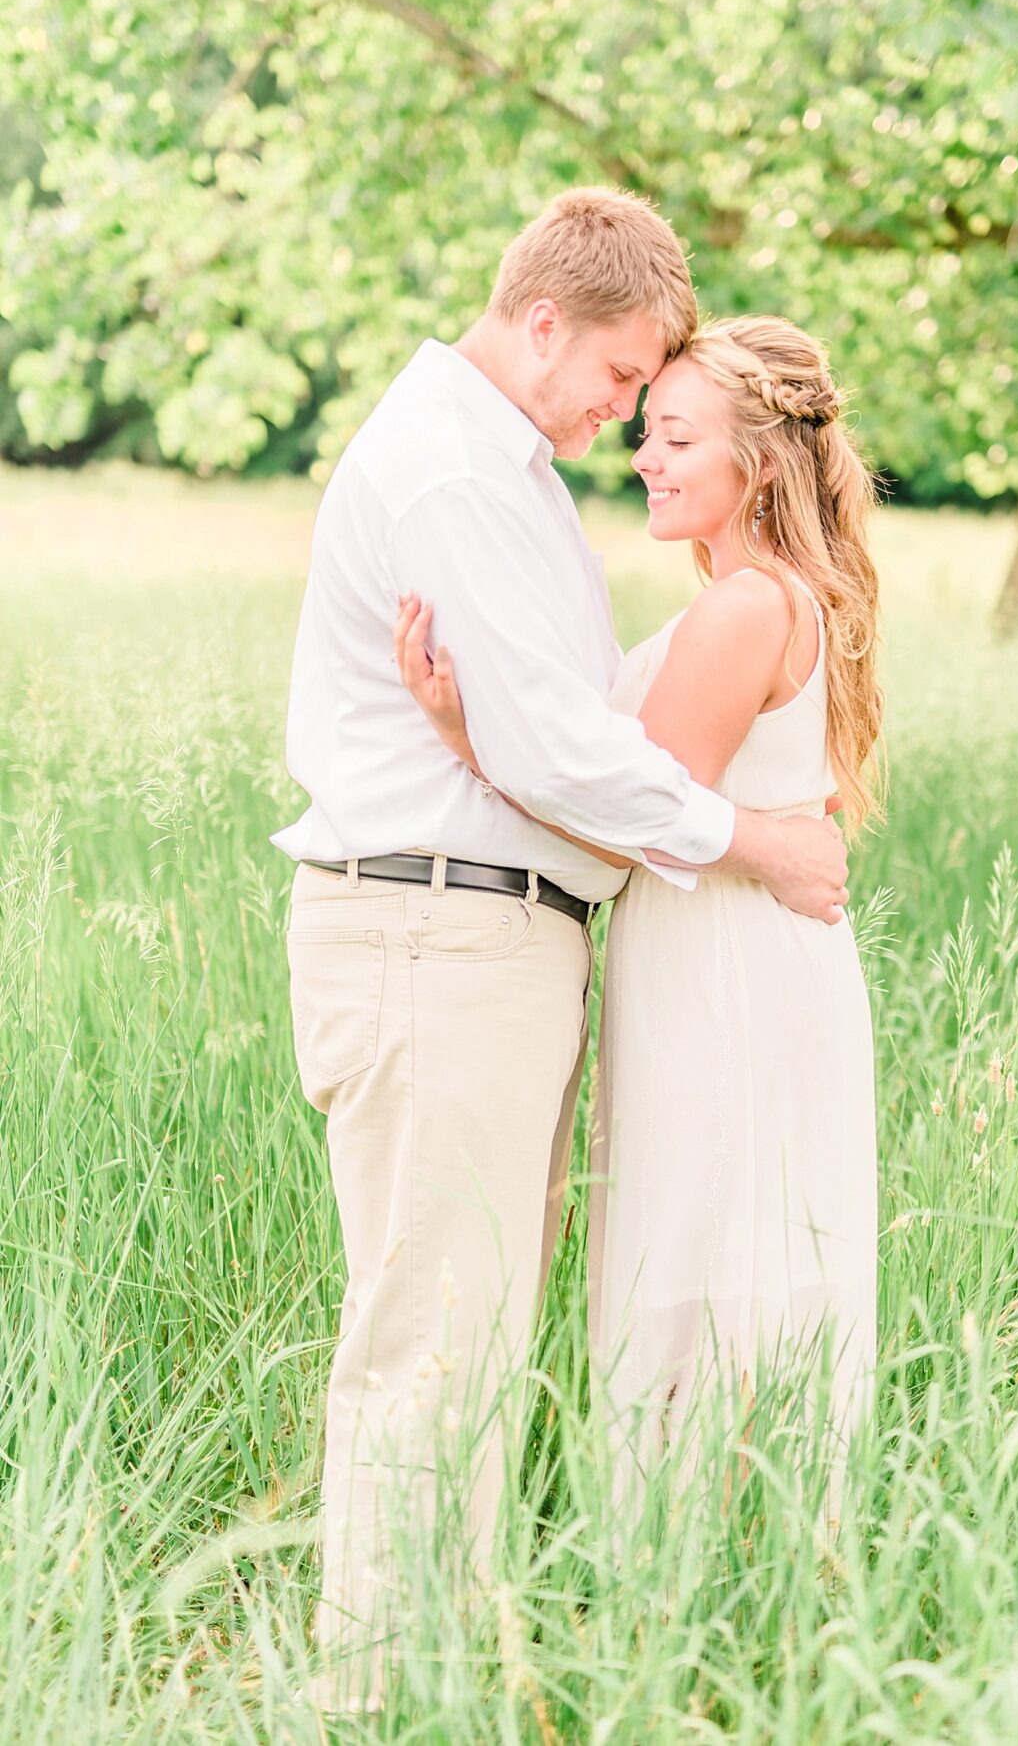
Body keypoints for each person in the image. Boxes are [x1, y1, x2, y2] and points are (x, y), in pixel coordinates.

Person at [271, 190, 850, 1704]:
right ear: (544, 322)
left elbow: (562, 735)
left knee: (467, 1344)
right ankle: (382, 1695)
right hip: (432, 929)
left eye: (656, 396)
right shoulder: (460, 474)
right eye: (620, 376)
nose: (621, 414)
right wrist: (758, 841)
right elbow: (576, 755)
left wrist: (496, 734)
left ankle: (432, 1678)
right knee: (435, 1346)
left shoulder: (506, 470)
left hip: (479, 929)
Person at [397, 315, 882, 1497]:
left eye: (674, 437)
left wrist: (474, 744)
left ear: (755, 465)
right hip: (721, 945)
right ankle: (728, 1555)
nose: (644, 458)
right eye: (646, 433)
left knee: (711, 1250)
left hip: (724, 969)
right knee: (726, 1245)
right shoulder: (764, 596)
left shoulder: (745, 608)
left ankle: (690, 1558)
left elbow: (632, 821)